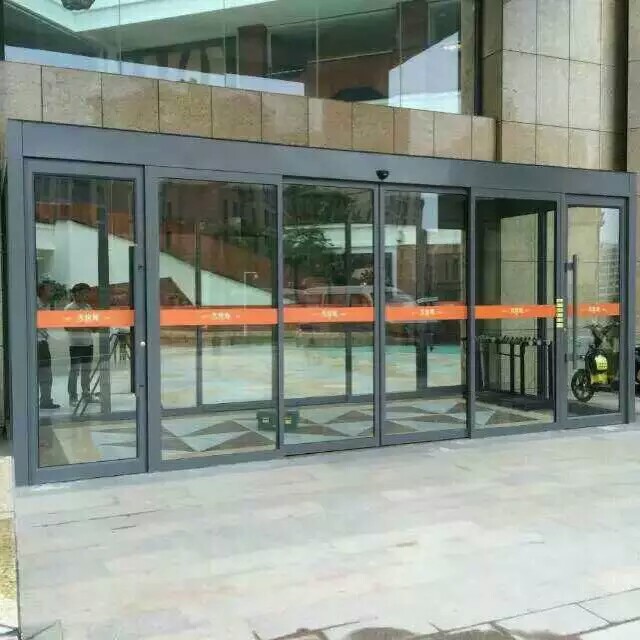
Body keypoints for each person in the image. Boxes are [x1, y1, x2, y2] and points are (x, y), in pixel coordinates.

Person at [65, 283, 96, 405]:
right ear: (75, 293)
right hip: (76, 345)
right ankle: (72, 397)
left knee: (86, 371)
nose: (85, 295)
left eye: (86, 293)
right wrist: (83, 324)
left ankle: (86, 394)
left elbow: (93, 325)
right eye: (83, 293)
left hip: (88, 343)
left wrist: (94, 325)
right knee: (75, 371)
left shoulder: (88, 307)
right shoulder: (69, 308)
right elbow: (67, 327)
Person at [37, 281, 59, 409]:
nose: (52, 292)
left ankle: (45, 399)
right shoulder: (35, 304)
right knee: (44, 372)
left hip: (42, 341)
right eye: (49, 290)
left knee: (45, 372)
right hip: (38, 342)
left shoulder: (44, 305)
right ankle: (45, 400)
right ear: (41, 291)